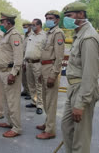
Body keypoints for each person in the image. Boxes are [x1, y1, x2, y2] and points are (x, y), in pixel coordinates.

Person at [61, 2, 99, 153]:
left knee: (80, 138)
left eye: (69, 16)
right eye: (65, 17)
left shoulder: (88, 38)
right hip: (74, 89)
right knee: (67, 128)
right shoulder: (80, 35)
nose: (66, 20)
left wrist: (81, 103)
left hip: (82, 91)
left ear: (81, 15)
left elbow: (90, 74)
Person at [36, 10, 65, 139]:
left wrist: (53, 75)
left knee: (51, 101)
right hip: (44, 67)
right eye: (46, 17)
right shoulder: (48, 33)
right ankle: (48, 123)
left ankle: (51, 130)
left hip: (51, 68)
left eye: (51, 18)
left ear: (57, 20)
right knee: (45, 99)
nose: (48, 20)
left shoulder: (58, 33)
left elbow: (59, 58)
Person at [0, 12, 23, 138]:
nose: (0, 24)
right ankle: (10, 122)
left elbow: (18, 57)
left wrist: (13, 73)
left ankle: (16, 128)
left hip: (10, 72)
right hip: (3, 71)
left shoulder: (14, 35)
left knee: (12, 101)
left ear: (8, 22)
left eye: (2, 21)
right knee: (6, 99)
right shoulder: (6, 35)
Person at [24, 19, 46, 115]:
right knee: (31, 83)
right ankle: (34, 101)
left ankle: (40, 105)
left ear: (39, 25)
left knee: (39, 84)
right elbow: (26, 50)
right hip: (28, 63)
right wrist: (24, 62)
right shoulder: (31, 36)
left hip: (38, 63)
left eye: (33, 25)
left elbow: (45, 51)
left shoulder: (44, 36)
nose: (31, 26)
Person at [21, 20, 33, 99]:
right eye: (23, 27)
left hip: (28, 59)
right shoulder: (24, 36)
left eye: (26, 27)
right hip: (23, 59)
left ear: (30, 27)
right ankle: (25, 90)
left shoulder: (32, 36)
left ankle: (30, 93)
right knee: (23, 77)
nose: (24, 28)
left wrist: (25, 62)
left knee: (29, 78)